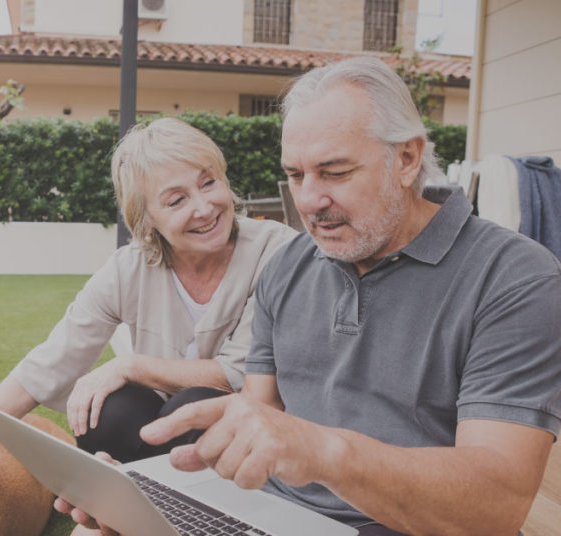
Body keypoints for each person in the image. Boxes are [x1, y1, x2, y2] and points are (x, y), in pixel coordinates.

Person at [123, 57, 561, 535]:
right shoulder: (287, 269)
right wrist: (152, 500)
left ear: (408, 159)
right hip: (276, 516)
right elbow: (261, 414)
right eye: (296, 175)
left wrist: (323, 451)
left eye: (334, 172)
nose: (308, 200)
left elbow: (495, 509)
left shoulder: (514, 277)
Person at [0, 117, 298, 475]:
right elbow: (48, 365)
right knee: (106, 408)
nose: (205, 207)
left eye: (209, 183)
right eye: (177, 200)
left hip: (251, 426)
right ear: (146, 219)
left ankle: (138, 503)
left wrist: (130, 365)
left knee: (192, 405)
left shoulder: (275, 250)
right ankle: (133, 498)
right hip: (167, 433)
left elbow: (240, 375)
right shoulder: (129, 268)